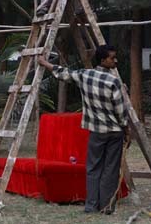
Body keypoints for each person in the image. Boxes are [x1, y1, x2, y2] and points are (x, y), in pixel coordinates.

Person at [38, 45, 128, 215]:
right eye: (112, 58)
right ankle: (106, 207)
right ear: (103, 60)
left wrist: (44, 63)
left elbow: (62, 73)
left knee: (93, 168)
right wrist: (126, 128)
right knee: (110, 169)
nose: (115, 60)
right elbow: (121, 111)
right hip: (114, 132)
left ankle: (91, 206)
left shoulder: (85, 75)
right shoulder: (113, 81)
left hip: (96, 131)